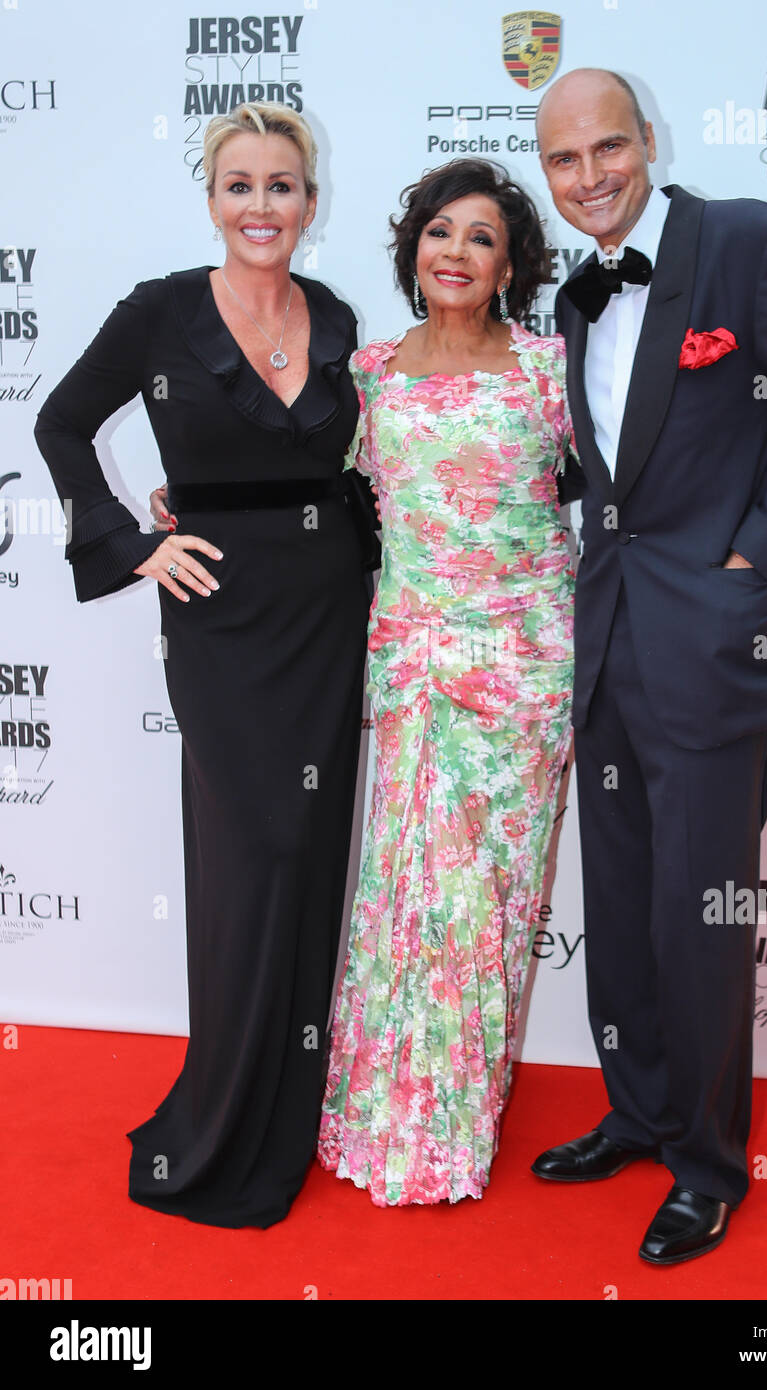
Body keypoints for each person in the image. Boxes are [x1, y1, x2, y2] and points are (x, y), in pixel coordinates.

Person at [529, 70, 767, 1262]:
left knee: (701, 913)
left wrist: (753, 563)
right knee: (623, 903)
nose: (590, 178)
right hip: (611, 641)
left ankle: (709, 1163)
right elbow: (610, 473)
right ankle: (638, 1109)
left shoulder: (745, 241)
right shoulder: (572, 297)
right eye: (564, 162)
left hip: (718, 643)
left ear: (647, 141)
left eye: (607, 148)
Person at [34, 102, 379, 1229]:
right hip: (222, 617)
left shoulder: (333, 315)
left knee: (313, 853)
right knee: (252, 853)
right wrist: (135, 543)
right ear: (213, 198)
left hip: (328, 611)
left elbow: (357, 469)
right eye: (241, 185)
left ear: (311, 203)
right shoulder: (162, 312)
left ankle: (286, 1109)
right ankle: (219, 1115)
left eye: (283, 186)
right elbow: (61, 423)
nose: (262, 206)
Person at [315, 159, 577, 1206]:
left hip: (523, 670)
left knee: (486, 904)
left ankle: (456, 1118)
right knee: (404, 898)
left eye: (480, 237)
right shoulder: (369, 374)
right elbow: (303, 485)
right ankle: (381, 1112)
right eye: (439, 232)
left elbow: (635, 488)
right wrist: (184, 493)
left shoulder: (551, 371)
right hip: (415, 663)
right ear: (411, 250)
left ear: (511, 263)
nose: (455, 252)